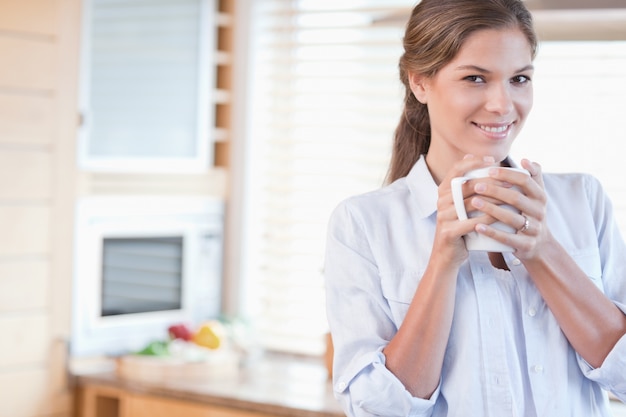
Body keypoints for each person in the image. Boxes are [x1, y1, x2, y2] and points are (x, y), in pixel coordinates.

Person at [323, 0, 626, 416]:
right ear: (420, 83)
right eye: (475, 78)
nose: (503, 104)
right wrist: (443, 260)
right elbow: (380, 409)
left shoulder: (583, 201)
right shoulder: (363, 225)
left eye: (519, 78)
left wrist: (543, 250)